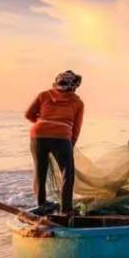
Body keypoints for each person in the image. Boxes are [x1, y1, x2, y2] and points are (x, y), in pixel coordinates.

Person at [25, 70, 84, 215]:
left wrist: (43, 123)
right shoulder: (77, 102)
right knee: (67, 173)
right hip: (61, 137)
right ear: (74, 86)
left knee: (40, 171)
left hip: (38, 135)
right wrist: (71, 143)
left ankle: (42, 204)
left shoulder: (44, 95)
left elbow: (28, 114)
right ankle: (66, 209)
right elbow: (76, 128)